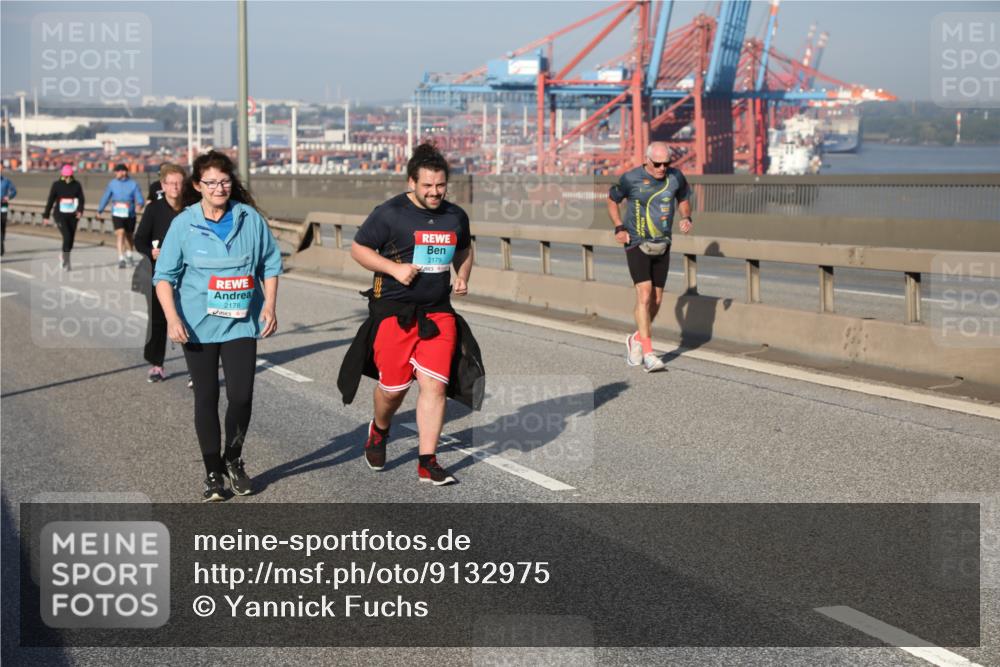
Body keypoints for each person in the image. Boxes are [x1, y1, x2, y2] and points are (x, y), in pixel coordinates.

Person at [337, 143, 482, 486]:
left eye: (441, 185)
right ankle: (380, 429)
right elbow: (358, 249)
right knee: (393, 389)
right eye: (428, 186)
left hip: (438, 313)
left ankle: (427, 461)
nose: (435, 192)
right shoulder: (390, 213)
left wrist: (462, 276)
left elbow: (464, 250)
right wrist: (394, 269)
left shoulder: (455, 216)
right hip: (393, 311)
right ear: (411, 183)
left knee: (434, 385)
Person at [153, 150, 281, 501]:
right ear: (198, 186)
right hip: (197, 326)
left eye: (224, 181)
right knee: (206, 397)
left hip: (241, 323)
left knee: (241, 396)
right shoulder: (184, 223)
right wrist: (172, 318)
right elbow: (163, 276)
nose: (219, 188)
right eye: (211, 182)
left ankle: (234, 460)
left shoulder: (249, 219)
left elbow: (270, 264)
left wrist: (269, 304)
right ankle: (213, 472)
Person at [607, 141, 693, 373]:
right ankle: (648, 352)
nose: (662, 168)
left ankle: (635, 339)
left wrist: (686, 217)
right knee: (644, 295)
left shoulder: (676, 177)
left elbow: (683, 198)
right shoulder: (631, 178)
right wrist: (619, 227)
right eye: (657, 163)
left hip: (662, 243)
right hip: (636, 242)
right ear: (646, 160)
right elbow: (612, 199)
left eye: (666, 163)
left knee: (656, 300)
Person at [135, 163, 185, 383]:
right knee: (158, 320)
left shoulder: (192, 208)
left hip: (187, 275)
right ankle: (156, 365)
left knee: (189, 319)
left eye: (179, 183)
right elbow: (138, 240)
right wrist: (151, 252)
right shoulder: (154, 209)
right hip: (158, 274)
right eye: (171, 183)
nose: (175, 187)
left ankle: (196, 370)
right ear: (163, 185)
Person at [97, 163, 144, 268]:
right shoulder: (112, 184)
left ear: (124, 172)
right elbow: (106, 197)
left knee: (129, 236)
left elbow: (139, 197)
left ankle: (129, 254)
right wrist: (100, 210)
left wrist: (140, 204)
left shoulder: (133, 184)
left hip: (130, 213)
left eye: (117, 171)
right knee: (120, 233)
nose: (116, 173)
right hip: (117, 213)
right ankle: (121, 258)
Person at [42, 164, 85, 271]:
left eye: (68, 176)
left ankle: (64, 255)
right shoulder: (57, 185)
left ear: (72, 175)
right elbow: (50, 200)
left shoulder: (77, 185)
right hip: (60, 215)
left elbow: (81, 199)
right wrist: (46, 215)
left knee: (71, 239)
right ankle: (66, 261)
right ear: (62, 175)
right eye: (65, 176)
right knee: (67, 236)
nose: (66, 178)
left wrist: (80, 210)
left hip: (73, 215)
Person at [0, 164, 17, 256]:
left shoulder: (6, 181)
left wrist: (8, 197)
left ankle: (1, 244)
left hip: (3, 205)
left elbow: (14, 191)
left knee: (2, 225)